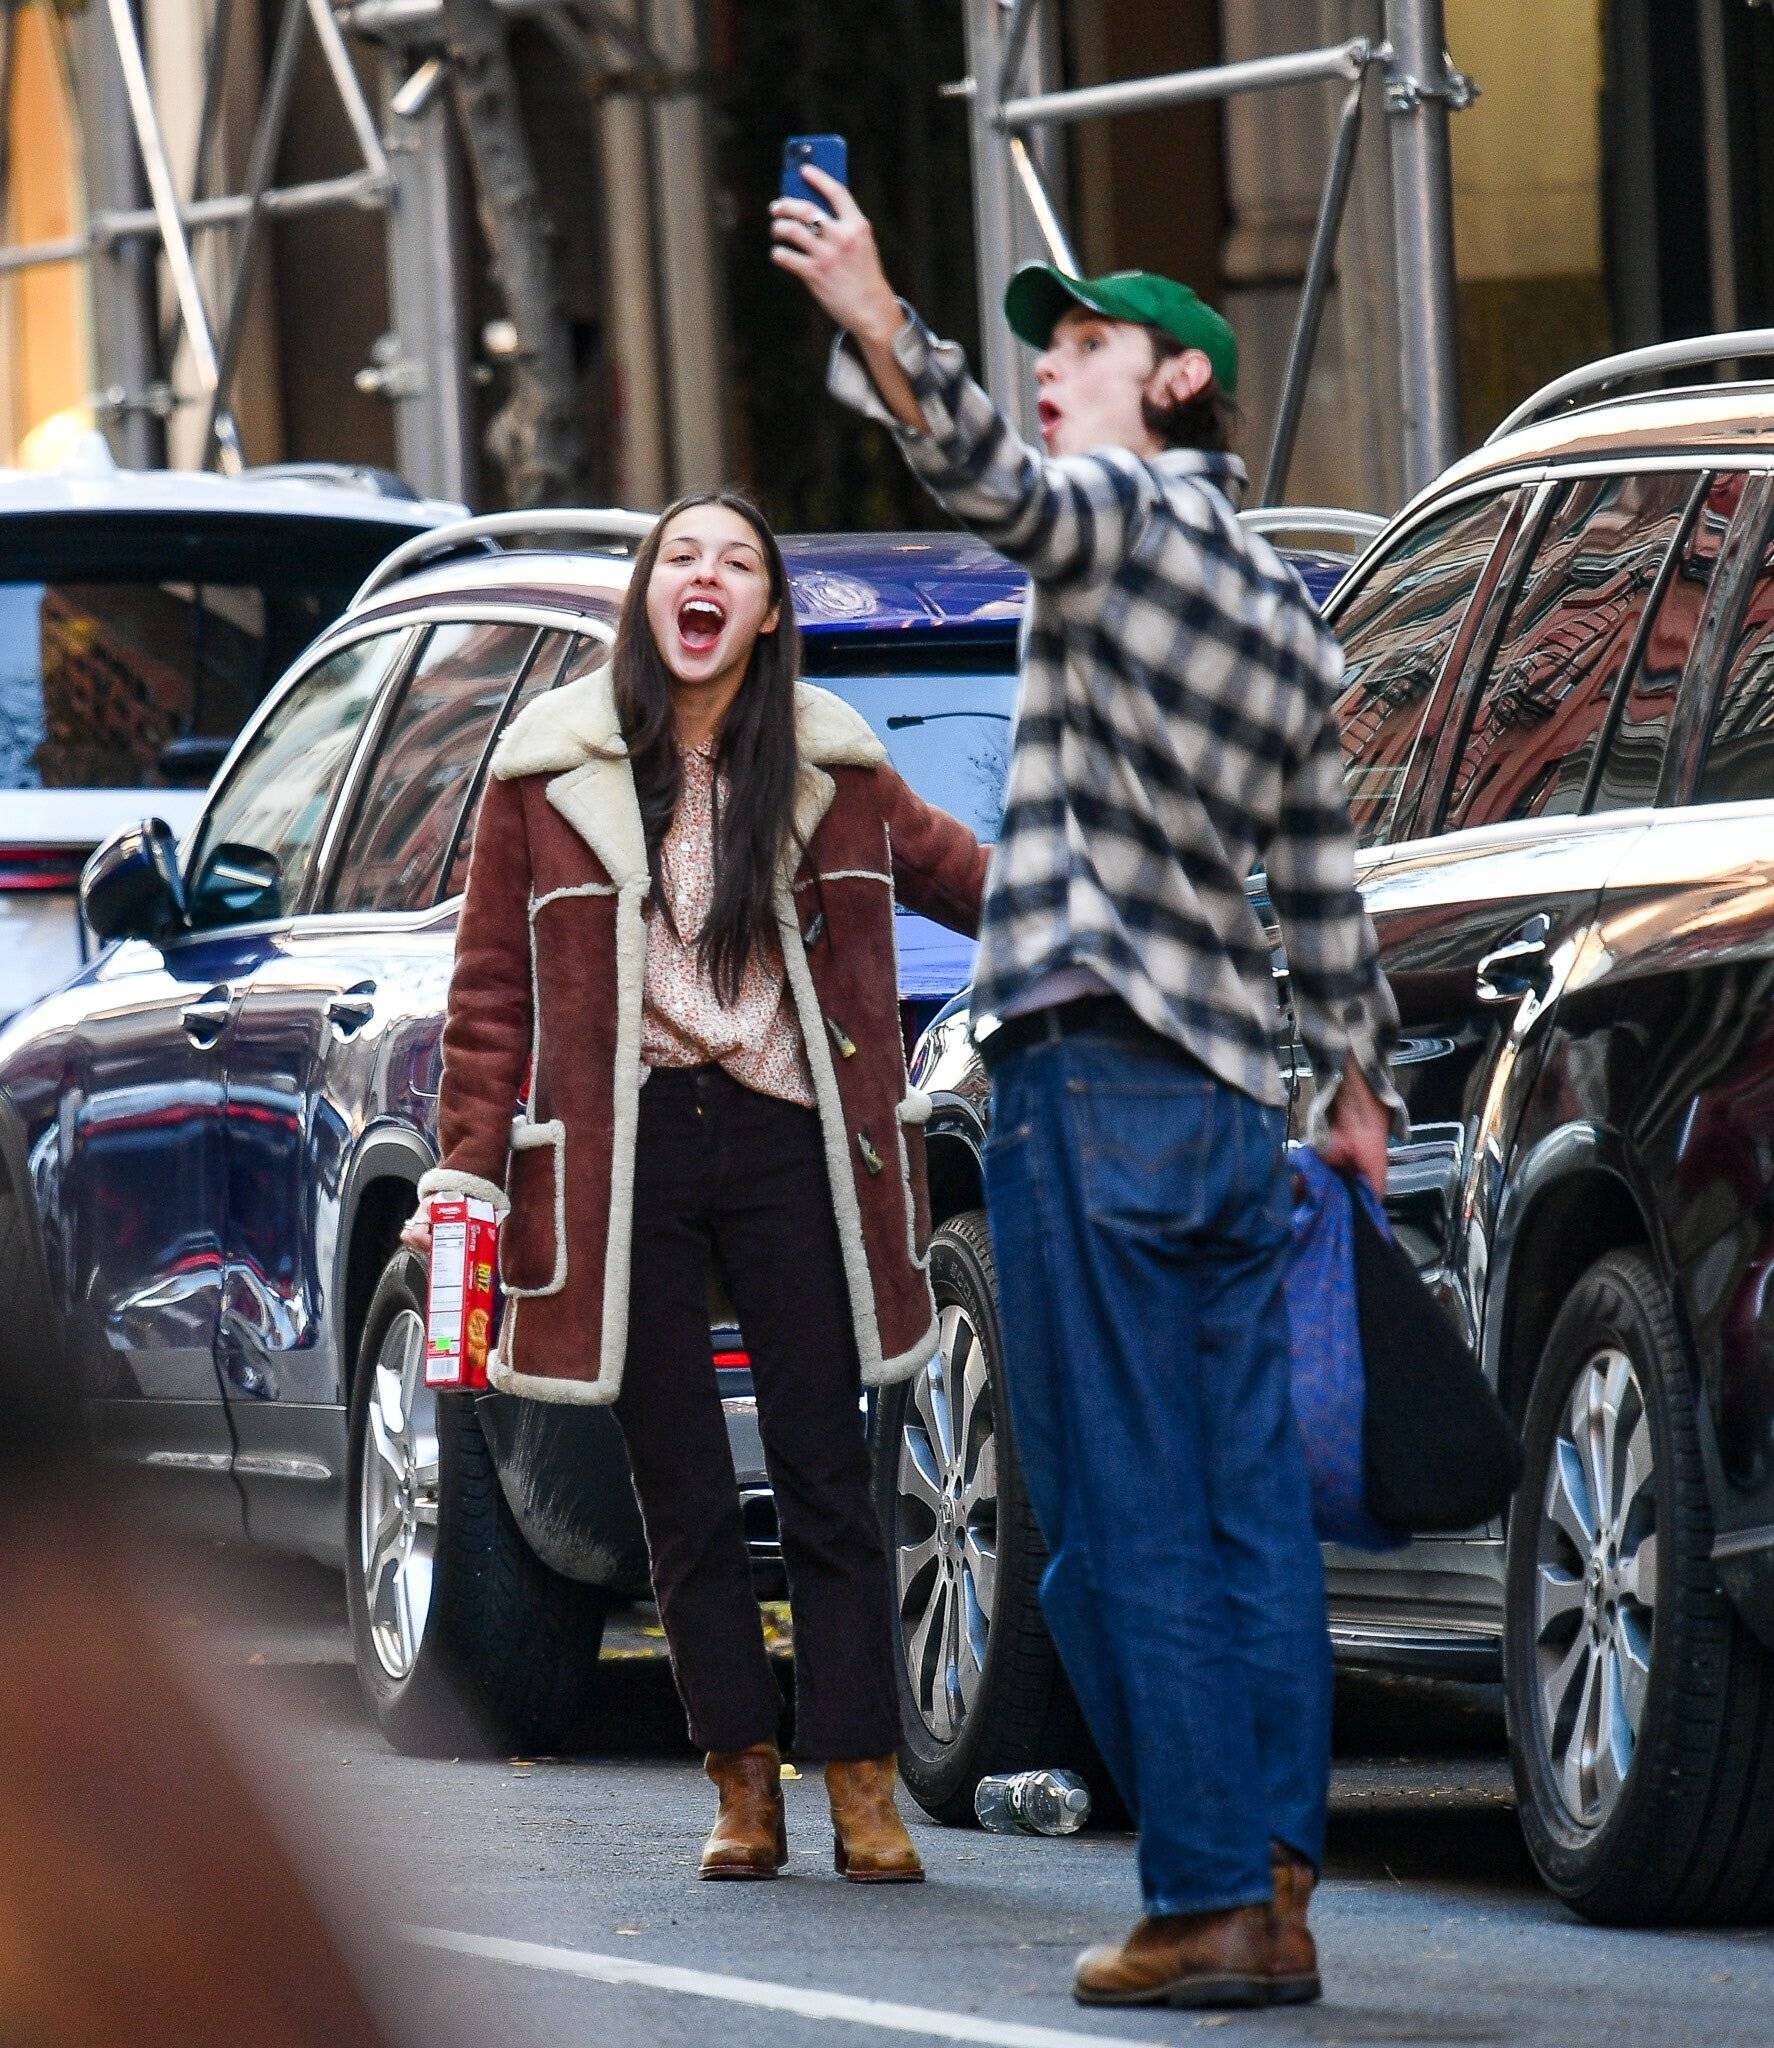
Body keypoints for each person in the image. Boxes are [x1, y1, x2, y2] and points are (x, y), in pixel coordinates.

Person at [772, 177, 1403, 2005]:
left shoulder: (1114, 518)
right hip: (1225, 1100)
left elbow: (996, 484)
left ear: (1178, 389)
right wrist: (1347, 1080)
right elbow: (1320, 869)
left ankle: (1205, 1897)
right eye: (1045, 345)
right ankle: (1273, 1883)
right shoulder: (1289, 615)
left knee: (1115, 1514)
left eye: (1087, 347)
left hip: (1089, 1082)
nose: (1056, 370)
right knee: (1240, 1511)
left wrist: (885, 317)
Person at [405, 491, 988, 1884]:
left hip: (795, 1144)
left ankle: (858, 1780)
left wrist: (1121, 922)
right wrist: (466, 1172)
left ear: (768, 613)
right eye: (683, 558)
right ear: (648, 598)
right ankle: (739, 1778)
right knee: (677, 1484)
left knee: (827, 1472)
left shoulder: (835, 772)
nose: (706, 577)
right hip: (628, 1150)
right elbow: (490, 998)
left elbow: (982, 885)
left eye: (737, 561)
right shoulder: (546, 779)